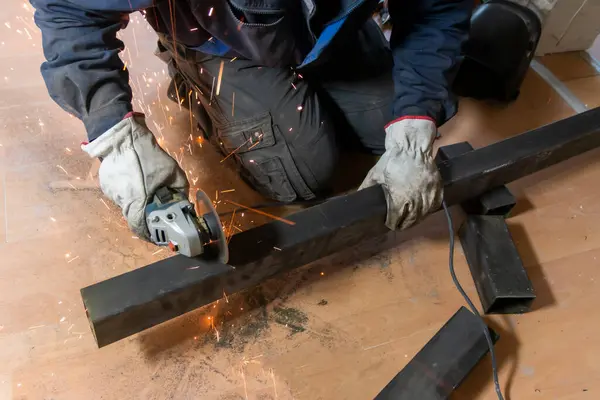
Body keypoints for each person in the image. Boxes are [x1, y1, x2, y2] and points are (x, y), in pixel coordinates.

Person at [31, 0, 471, 240]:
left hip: (321, 27)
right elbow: (68, 9)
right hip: (222, 42)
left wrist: (414, 130)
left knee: (399, 114)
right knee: (303, 174)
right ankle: (191, 71)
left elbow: (438, 9)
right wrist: (115, 133)